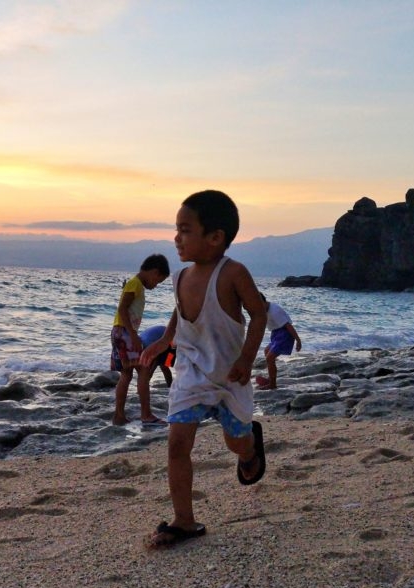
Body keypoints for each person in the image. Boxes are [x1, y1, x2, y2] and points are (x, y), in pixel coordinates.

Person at [140, 190, 268, 547]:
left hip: (230, 377)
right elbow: (180, 314)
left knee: (235, 442)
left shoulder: (234, 274)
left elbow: (258, 313)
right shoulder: (181, 277)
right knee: (178, 444)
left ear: (215, 238)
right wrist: (164, 340)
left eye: (185, 230)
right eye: (176, 229)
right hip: (191, 374)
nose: (176, 238)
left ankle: (250, 449)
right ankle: (184, 520)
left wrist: (246, 358)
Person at [111, 253, 170, 425]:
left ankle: (119, 416)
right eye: (158, 281)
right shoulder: (135, 284)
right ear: (154, 272)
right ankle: (146, 415)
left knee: (126, 375)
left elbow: (165, 364)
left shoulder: (134, 284)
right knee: (143, 372)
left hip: (119, 332)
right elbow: (122, 309)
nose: (156, 286)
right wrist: (134, 335)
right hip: (125, 333)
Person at [255, 293, 301, 390]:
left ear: (264, 301)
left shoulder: (274, 311)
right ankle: (271, 378)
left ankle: (273, 384)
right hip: (276, 334)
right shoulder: (263, 309)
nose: (258, 308)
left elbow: (288, 326)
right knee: (266, 351)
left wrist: (298, 340)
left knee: (270, 358)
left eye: (259, 305)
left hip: (285, 334)